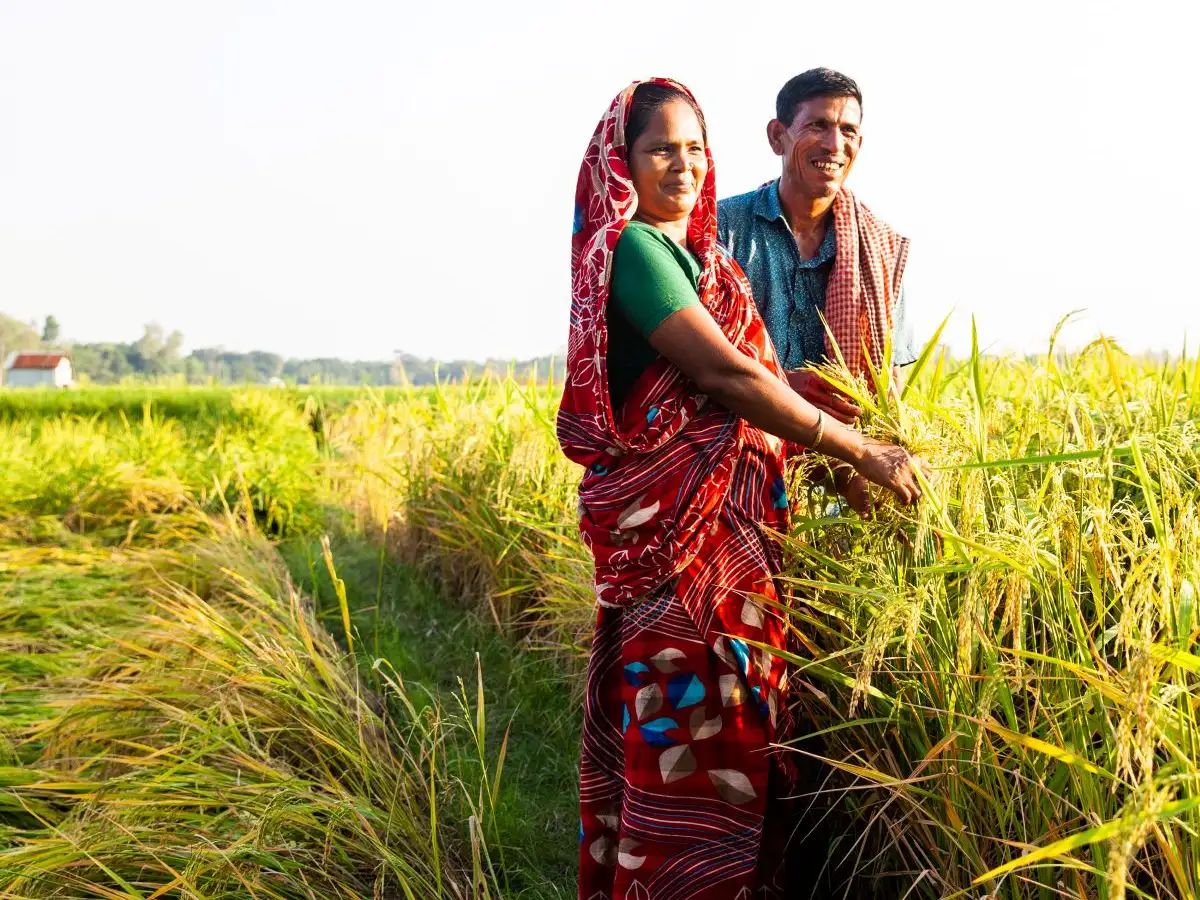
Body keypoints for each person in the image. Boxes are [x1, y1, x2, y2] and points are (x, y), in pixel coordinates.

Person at [559, 78, 927, 899]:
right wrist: (854, 444)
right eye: (661, 149)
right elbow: (727, 373)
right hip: (681, 548)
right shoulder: (636, 250)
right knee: (691, 735)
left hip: (731, 544)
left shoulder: (695, 254)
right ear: (623, 162)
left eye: (694, 148)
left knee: (736, 727)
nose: (682, 164)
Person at [718, 68, 914, 513]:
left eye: (848, 130)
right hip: (737, 472)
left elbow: (892, 387)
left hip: (846, 480)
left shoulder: (882, 250)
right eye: (817, 125)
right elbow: (695, 366)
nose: (834, 145)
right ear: (777, 136)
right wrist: (781, 387)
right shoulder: (721, 232)